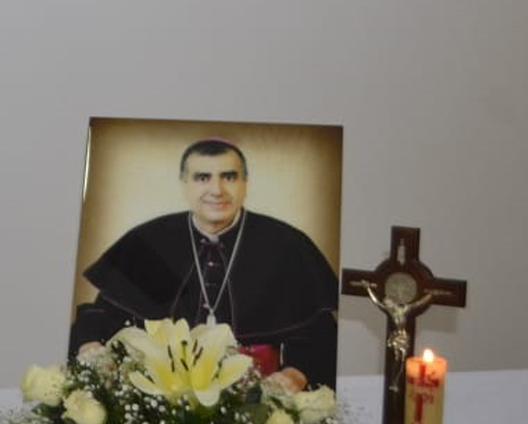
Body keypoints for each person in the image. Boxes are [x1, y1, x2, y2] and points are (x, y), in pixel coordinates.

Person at [68, 138, 338, 388]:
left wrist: (295, 375)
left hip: (259, 394)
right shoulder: (150, 241)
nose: (216, 190)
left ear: (245, 184)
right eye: (203, 178)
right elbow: (103, 314)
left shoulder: (285, 245)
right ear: (184, 184)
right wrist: (89, 345)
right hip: (161, 392)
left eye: (229, 177)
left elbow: (318, 334)